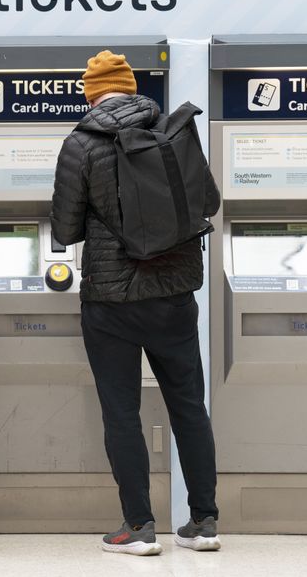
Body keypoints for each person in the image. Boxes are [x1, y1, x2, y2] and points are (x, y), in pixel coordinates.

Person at [50, 51, 221, 556]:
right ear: (131, 87)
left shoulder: (80, 144)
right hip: (174, 294)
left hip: (112, 300)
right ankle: (204, 522)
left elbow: (63, 229)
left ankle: (139, 528)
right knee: (188, 405)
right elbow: (206, 203)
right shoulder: (171, 132)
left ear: (91, 93)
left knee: (122, 411)